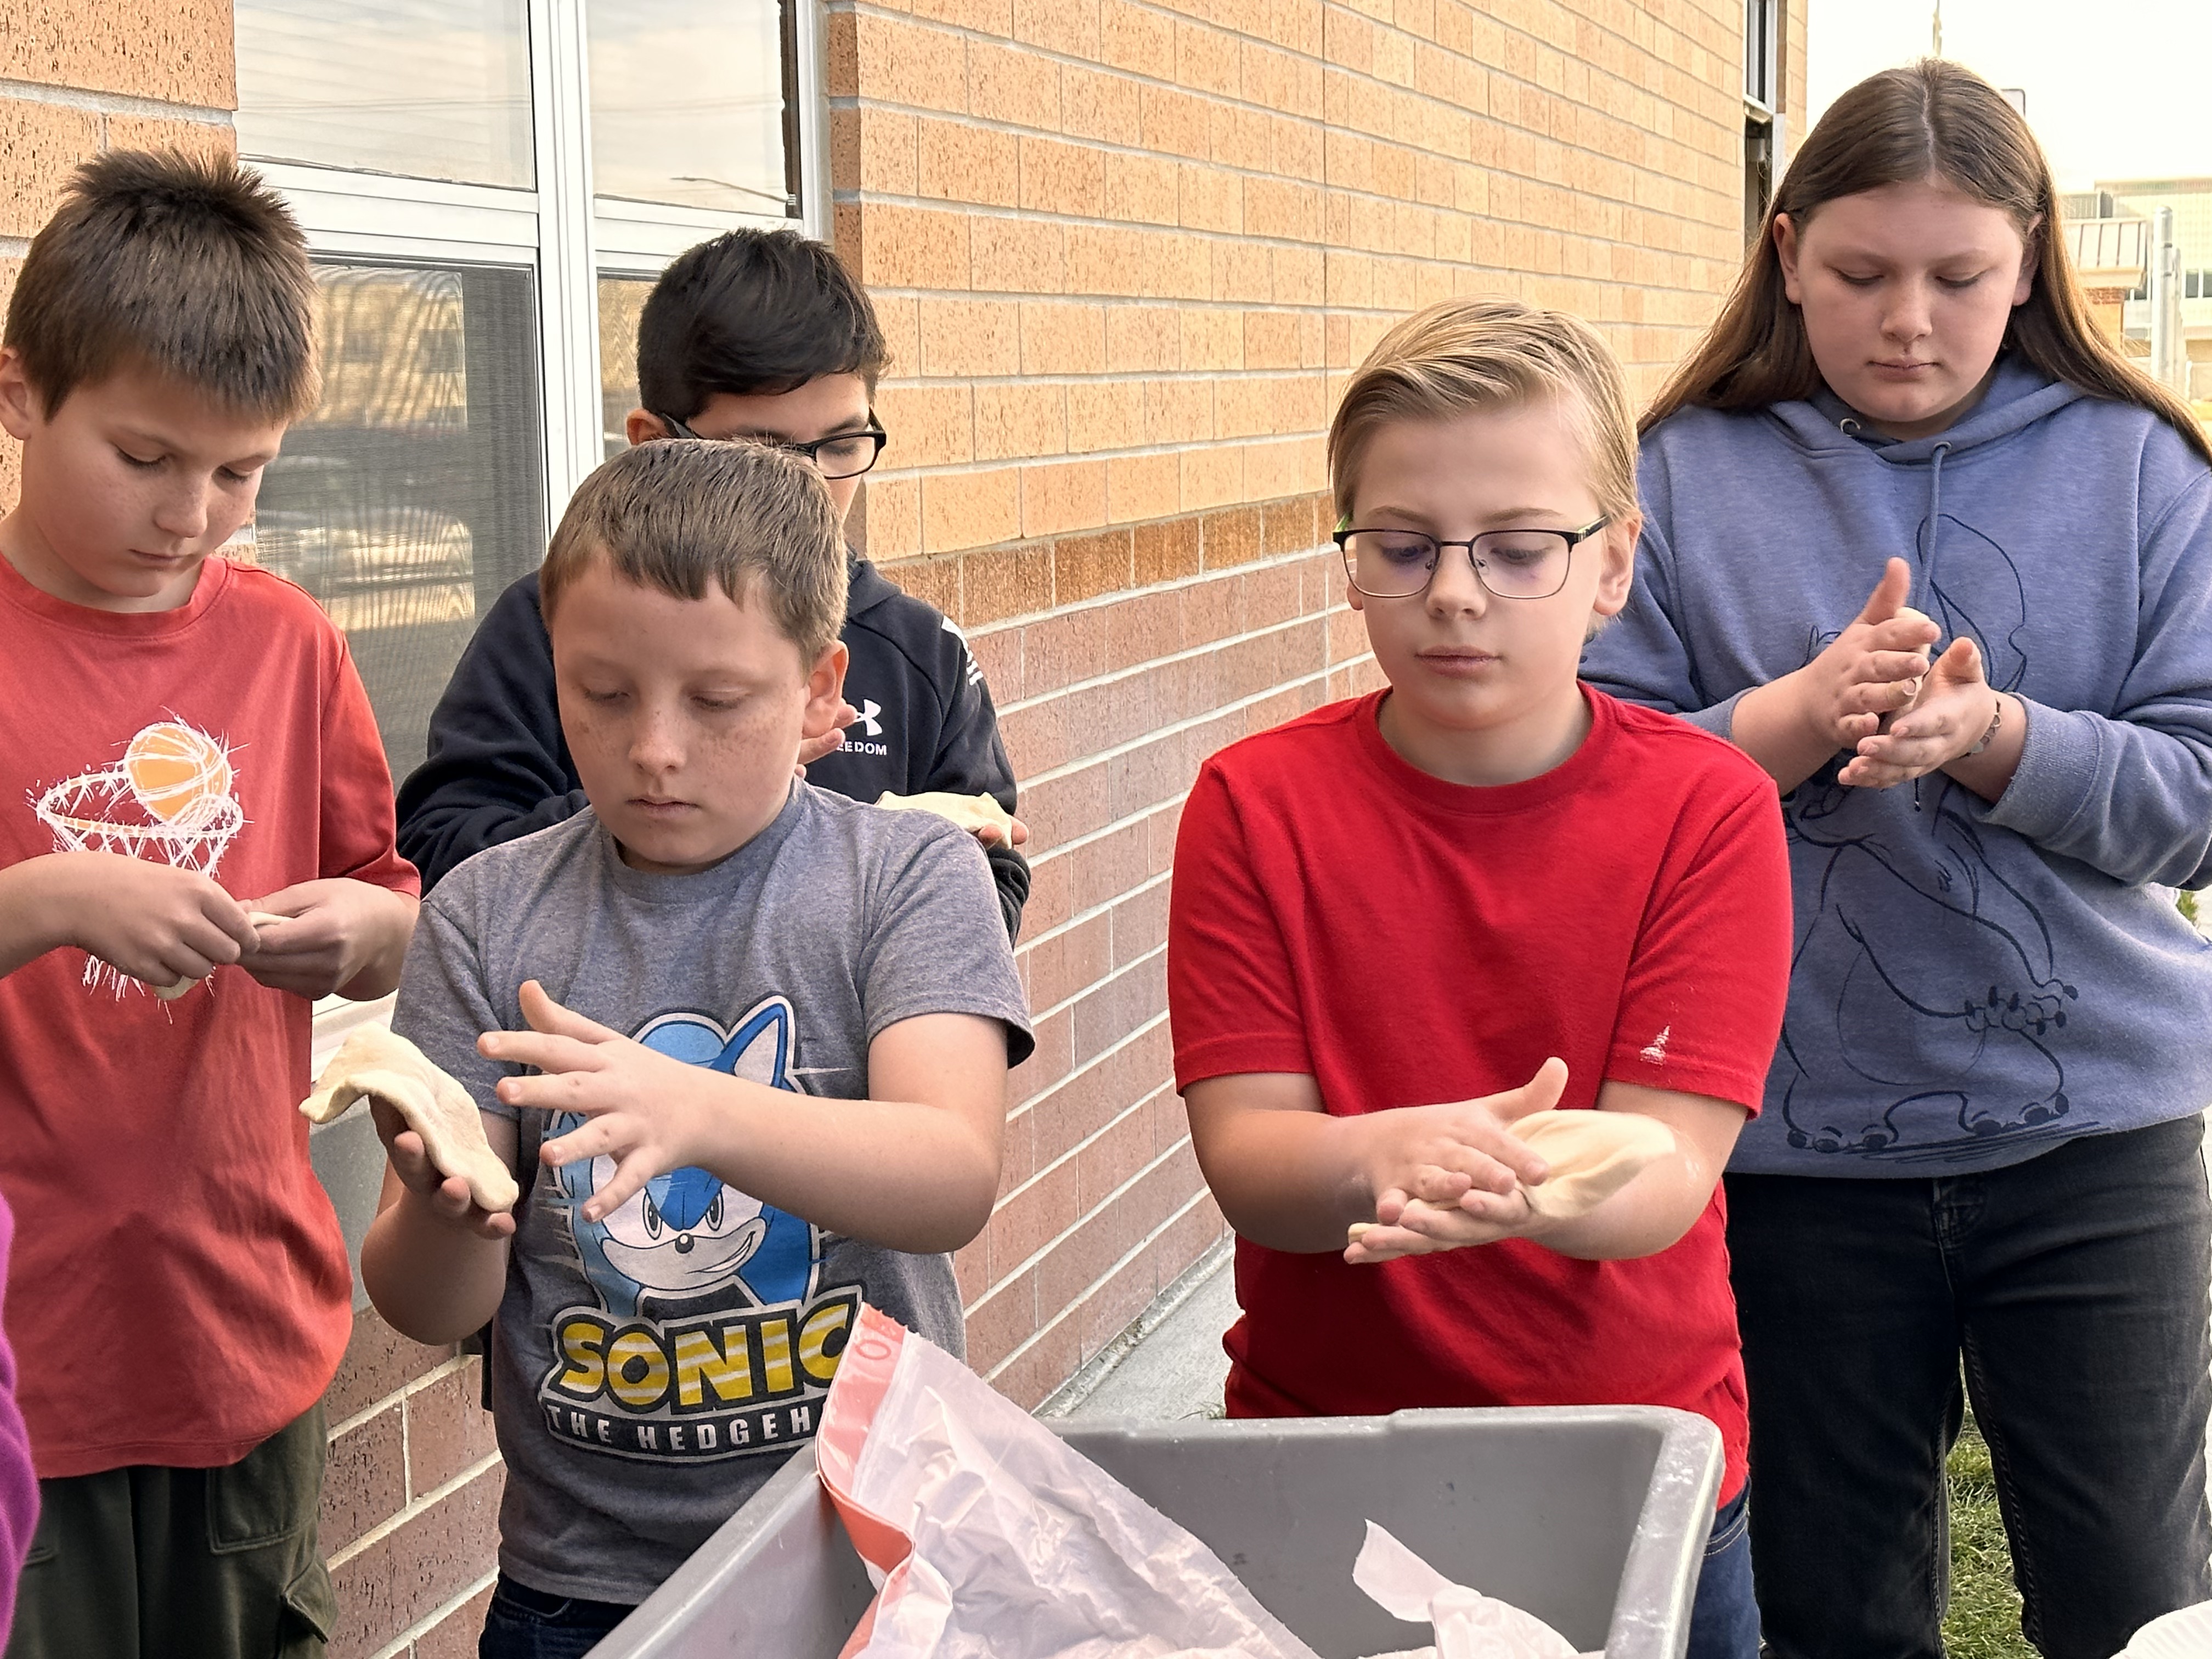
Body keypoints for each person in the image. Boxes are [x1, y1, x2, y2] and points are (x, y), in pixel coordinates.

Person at [1581, 60, 2212, 1659]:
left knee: (2137, 1599)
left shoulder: (2146, 470)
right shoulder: (1671, 474)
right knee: (1835, 1607)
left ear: (2034, 260)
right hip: (1784, 1142)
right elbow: (1592, 797)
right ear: (1785, 252)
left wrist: (2001, 740)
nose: (1909, 319)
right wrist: (1787, 720)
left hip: (2098, 1139)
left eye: (1960, 278)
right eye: (1861, 274)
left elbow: (2200, 793)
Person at [1167, 297, 1794, 1659]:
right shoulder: (1251, 805)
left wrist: (1506, 1179)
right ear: (1350, 560)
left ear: (1616, 564)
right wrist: (1390, 1155)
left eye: (1519, 551)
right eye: (1403, 547)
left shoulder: (1712, 809)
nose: (1456, 592)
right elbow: (1250, 1159)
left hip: (1635, 1460)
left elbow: (1671, 1171)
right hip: (1324, 1468)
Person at [362, 439, 1031, 1657]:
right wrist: (450, 1212)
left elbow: (950, 1175)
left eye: (717, 703)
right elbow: (425, 1305)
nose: (654, 748)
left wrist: (697, 1111)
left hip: (876, 1550)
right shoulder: (485, 913)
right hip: (584, 1588)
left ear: (824, 690)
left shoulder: (912, 875)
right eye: (601, 694)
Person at [0, 151, 421, 1657]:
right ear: (19, 394)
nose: (193, 515)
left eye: (241, 473)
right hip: (22, 1360)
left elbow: (389, 896)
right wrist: (47, 901)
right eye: (146, 457)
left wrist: (365, 934)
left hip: (238, 1320)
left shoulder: (289, 642)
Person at [396, 228, 1030, 938]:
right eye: (761, 452)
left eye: (843, 445)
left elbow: (994, 884)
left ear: (825, 683)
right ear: (652, 443)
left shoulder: (919, 649)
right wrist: (723, 791)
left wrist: (864, 844)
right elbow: (442, 863)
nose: (813, 483)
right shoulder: (554, 627)